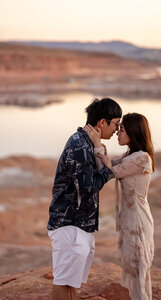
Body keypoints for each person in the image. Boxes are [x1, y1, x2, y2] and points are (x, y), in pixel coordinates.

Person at [47, 98, 122, 300]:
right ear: (102, 123)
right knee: (64, 283)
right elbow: (88, 189)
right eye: (116, 122)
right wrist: (109, 171)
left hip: (78, 225)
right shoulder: (79, 146)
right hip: (70, 224)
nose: (117, 129)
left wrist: (98, 145)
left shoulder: (87, 143)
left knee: (71, 285)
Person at [84, 113, 154, 300]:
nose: (117, 133)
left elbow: (110, 171)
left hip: (138, 220)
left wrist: (98, 144)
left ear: (133, 132)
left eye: (121, 130)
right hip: (130, 218)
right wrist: (96, 142)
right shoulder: (129, 155)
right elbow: (103, 166)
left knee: (138, 266)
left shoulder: (141, 159)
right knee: (133, 267)